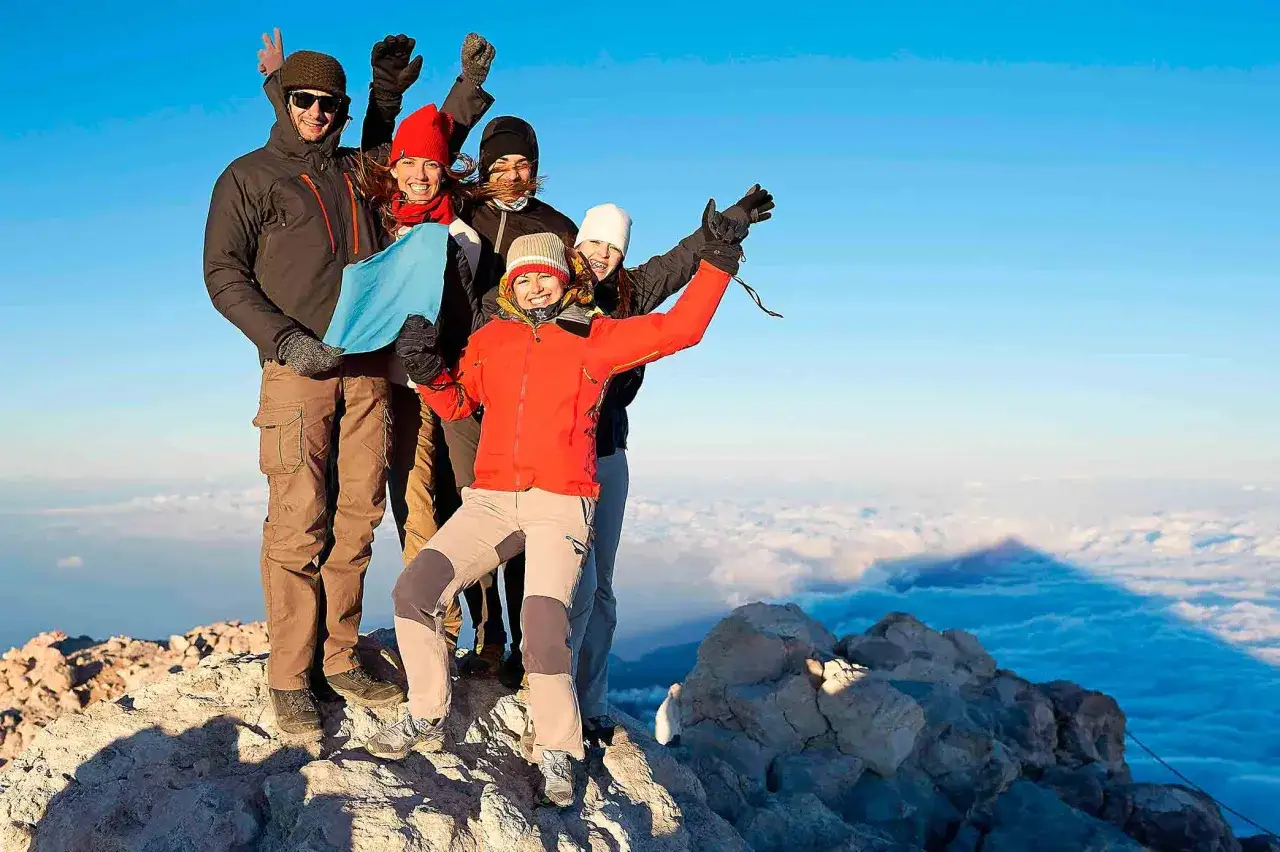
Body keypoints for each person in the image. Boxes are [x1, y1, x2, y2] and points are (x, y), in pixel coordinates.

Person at [366, 206, 750, 808]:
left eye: (545, 274)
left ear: (563, 278)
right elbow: (459, 403)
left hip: (560, 503)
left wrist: (719, 259)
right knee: (414, 590)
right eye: (523, 277)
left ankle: (558, 749)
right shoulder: (490, 339)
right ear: (511, 285)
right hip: (492, 501)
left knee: (543, 623)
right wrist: (429, 372)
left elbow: (682, 329)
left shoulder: (594, 340)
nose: (535, 284)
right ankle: (425, 714)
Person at [204, 43, 409, 735]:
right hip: (296, 372)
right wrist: (285, 339)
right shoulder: (249, 177)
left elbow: (386, 146)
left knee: (358, 516)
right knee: (298, 524)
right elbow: (224, 276)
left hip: (367, 369)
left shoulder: (357, 172)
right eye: (303, 101)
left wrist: (385, 87)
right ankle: (291, 676)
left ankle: (341, 656)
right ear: (285, 104)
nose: (317, 113)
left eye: (330, 104)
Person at [564, 190, 775, 742]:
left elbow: (683, 260)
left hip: (609, 451)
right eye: (593, 243)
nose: (602, 255)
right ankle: (545, 689)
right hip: (558, 458)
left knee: (600, 587)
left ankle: (590, 702)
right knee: (567, 586)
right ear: (574, 243)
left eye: (613, 248)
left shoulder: (632, 291)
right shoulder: (548, 292)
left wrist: (727, 229)